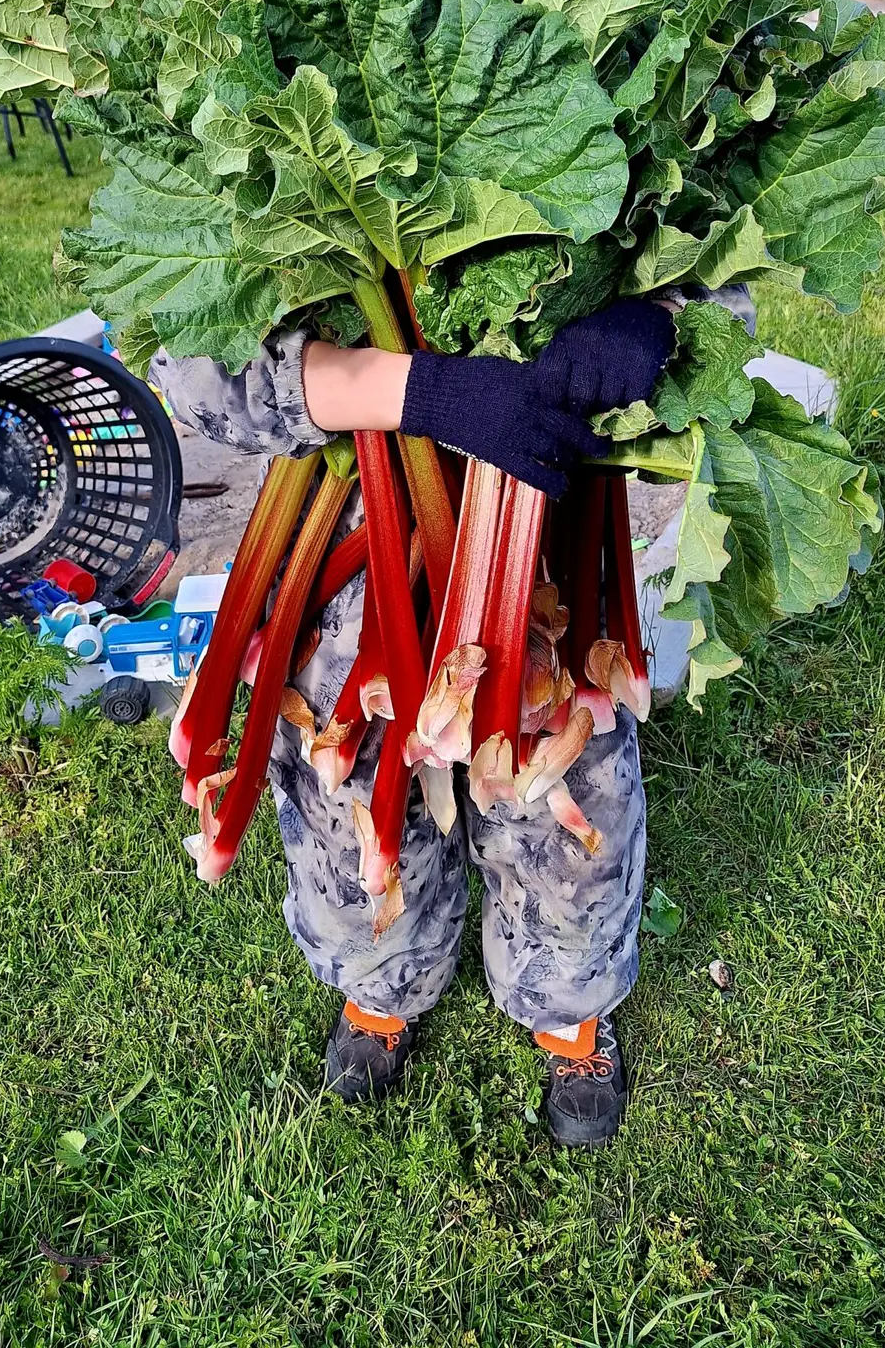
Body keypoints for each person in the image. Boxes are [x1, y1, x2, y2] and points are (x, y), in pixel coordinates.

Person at [152, 299, 679, 1147]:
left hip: (548, 526)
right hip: (350, 521)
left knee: (572, 813)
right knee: (349, 806)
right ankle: (381, 985)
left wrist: (658, 316)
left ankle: (569, 1010)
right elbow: (192, 373)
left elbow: (713, 279)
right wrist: (419, 391)